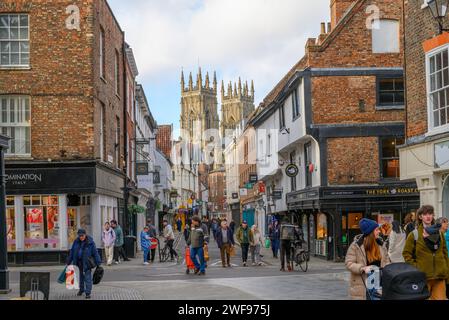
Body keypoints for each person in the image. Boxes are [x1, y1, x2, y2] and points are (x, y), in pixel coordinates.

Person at [403, 206, 449, 300]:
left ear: (433, 216)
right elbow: (406, 254)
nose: (428, 216)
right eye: (425, 214)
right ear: (420, 217)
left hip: (439, 277)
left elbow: (444, 253)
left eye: (430, 214)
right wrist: (417, 267)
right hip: (423, 277)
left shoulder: (440, 233)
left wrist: (446, 270)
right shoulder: (414, 234)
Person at [345, 219, 390, 300]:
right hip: (363, 282)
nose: (379, 231)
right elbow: (349, 263)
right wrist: (362, 268)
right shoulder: (356, 246)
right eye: (376, 230)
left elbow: (387, 260)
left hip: (379, 280)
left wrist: (388, 269)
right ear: (370, 232)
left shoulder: (381, 244)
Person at [66, 229, 102, 299]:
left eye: (82, 236)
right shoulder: (76, 242)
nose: (81, 237)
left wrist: (98, 263)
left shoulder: (90, 242)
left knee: (87, 278)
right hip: (78, 262)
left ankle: (88, 293)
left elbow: (95, 253)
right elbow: (72, 252)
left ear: (85, 234)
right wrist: (68, 262)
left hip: (87, 262)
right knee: (80, 277)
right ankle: (81, 290)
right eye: (80, 236)